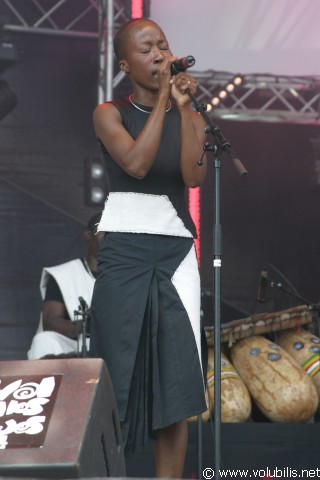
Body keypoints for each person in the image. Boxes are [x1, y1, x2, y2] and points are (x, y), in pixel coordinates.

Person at [89, 18, 208, 478]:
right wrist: (163, 102)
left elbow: (194, 177)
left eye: (163, 45)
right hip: (124, 250)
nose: (159, 53)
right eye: (146, 49)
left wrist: (184, 110)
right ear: (124, 64)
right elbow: (136, 164)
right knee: (114, 371)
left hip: (176, 253)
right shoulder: (108, 112)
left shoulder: (188, 114)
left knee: (177, 379)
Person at [27, 213, 101, 360]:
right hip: (75, 345)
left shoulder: (131, 277)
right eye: (104, 229)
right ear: (88, 234)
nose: (110, 236)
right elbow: (51, 321)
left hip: (116, 348)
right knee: (44, 340)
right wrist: (86, 325)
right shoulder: (64, 274)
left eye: (115, 233)